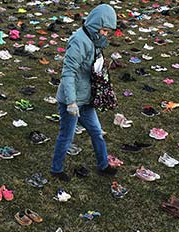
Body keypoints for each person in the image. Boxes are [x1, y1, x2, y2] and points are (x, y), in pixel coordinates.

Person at [50, 4, 118, 182]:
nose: (105, 34)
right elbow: (68, 72)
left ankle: (103, 165)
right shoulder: (79, 41)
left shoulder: (94, 40)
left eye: (107, 31)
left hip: (86, 98)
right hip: (72, 100)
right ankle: (56, 169)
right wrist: (71, 102)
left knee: (97, 131)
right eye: (104, 30)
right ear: (96, 25)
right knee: (67, 136)